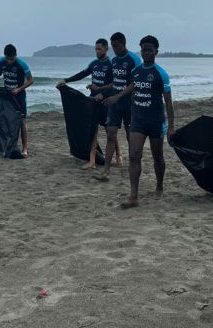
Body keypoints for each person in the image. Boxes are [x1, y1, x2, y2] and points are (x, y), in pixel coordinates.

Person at [104, 35, 174, 208]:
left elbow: (168, 103)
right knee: (134, 154)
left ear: (156, 51)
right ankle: (133, 196)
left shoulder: (161, 74)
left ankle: (159, 185)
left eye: (149, 50)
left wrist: (171, 126)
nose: (146, 53)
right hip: (138, 120)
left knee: (158, 156)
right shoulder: (136, 71)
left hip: (156, 121)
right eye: (143, 50)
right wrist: (117, 97)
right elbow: (133, 86)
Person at [56, 38, 114, 169]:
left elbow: (114, 85)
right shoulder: (94, 63)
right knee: (92, 131)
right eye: (96, 49)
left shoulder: (110, 64)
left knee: (110, 132)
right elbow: (82, 74)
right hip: (93, 102)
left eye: (99, 49)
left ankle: (118, 156)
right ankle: (92, 160)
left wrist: (103, 94)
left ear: (106, 48)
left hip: (106, 102)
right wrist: (66, 80)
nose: (97, 51)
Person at [94, 32, 141, 180]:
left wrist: (118, 96)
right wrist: (101, 90)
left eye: (117, 46)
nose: (115, 49)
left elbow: (136, 83)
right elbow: (116, 81)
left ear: (124, 43)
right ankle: (106, 171)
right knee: (110, 134)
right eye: (113, 46)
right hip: (114, 103)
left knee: (130, 136)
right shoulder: (114, 61)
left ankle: (133, 165)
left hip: (130, 104)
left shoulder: (134, 59)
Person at [0, 44, 34, 156]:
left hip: (19, 96)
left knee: (22, 121)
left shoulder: (22, 64)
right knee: (4, 121)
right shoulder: (1, 61)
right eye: (7, 59)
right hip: (6, 96)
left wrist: (19, 89)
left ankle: (25, 149)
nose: (9, 61)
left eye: (12, 59)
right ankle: (2, 147)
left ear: (16, 55)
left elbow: (31, 80)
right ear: (4, 56)